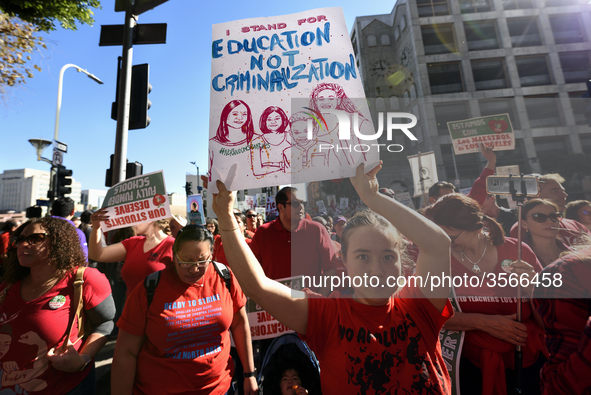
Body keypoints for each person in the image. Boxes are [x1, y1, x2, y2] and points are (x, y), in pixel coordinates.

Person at [210, 163, 453, 394]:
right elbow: (258, 286)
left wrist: (374, 199)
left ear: (402, 260)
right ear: (344, 261)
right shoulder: (326, 315)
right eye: (363, 257)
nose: (377, 270)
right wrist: (226, 217)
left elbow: (439, 245)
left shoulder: (419, 305)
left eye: (388, 257)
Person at [111, 225, 257, 395]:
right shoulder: (149, 289)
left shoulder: (225, 276)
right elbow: (125, 352)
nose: (194, 269)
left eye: (202, 261)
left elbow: (239, 324)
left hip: (220, 388)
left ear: (212, 254)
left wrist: (249, 374)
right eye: (186, 261)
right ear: (173, 256)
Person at [425, 193, 546, 395]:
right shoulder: (435, 259)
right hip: (466, 364)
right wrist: (484, 323)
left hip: (526, 357)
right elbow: (427, 313)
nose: (445, 242)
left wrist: (534, 288)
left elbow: (551, 315)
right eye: (439, 235)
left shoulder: (517, 250)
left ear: (477, 226)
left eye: (451, 237)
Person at [0, 217, 115, 394]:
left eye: (35, 238)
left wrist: (82, 359)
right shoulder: (7, 286)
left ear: (58, 242)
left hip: (63, 387)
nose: (23, 245)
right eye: (19, 240)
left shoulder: (85, 280)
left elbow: (105, 324)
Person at [248, 186, 339, 290]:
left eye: (303, 203)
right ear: (281, 207)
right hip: (274, 303)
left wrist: (319, 299)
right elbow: (252, 270)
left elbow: (330, 269)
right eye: (295, 204)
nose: (301, 207)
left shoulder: (317, 230)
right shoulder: (262, 233)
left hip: (309, 303)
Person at [532, 246, 591, 394]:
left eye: (554, 219)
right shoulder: (567, 272)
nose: (549, 221)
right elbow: (562, 388)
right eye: (540, 219)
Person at [88, 212, 174, 298]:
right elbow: (97, 255)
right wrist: (96, 228)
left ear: (150, 219)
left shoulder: (172, 245)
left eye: (137, 217)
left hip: (160, 309)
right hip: (131, 309)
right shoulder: (133, 243)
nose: (132, 223)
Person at [510, 174, 590, 245]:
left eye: (563, 191)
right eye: (555, 192)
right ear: (535, 196)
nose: (564, 195)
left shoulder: (575, 225)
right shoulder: (523, 227)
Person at [468, 144, 517, 236]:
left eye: (481, 199)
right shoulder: (476, 222)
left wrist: (492, 161)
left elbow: (481, 185)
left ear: (492, 198)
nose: (478, 203)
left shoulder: (515, 215)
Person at [521, 199, 571, 268]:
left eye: (553, 216)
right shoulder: (518, 257)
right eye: (539, 217)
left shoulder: (575, 254)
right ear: (524, 224)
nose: (550, 221)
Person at [251, 106, 291, 178]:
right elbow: (257, 170)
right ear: (264, 121)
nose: (273, 122)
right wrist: (281, 165)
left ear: (283, 119)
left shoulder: (290, 136)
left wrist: (268, 165)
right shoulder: (256, 142)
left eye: (277, 118)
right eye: (269, 119)